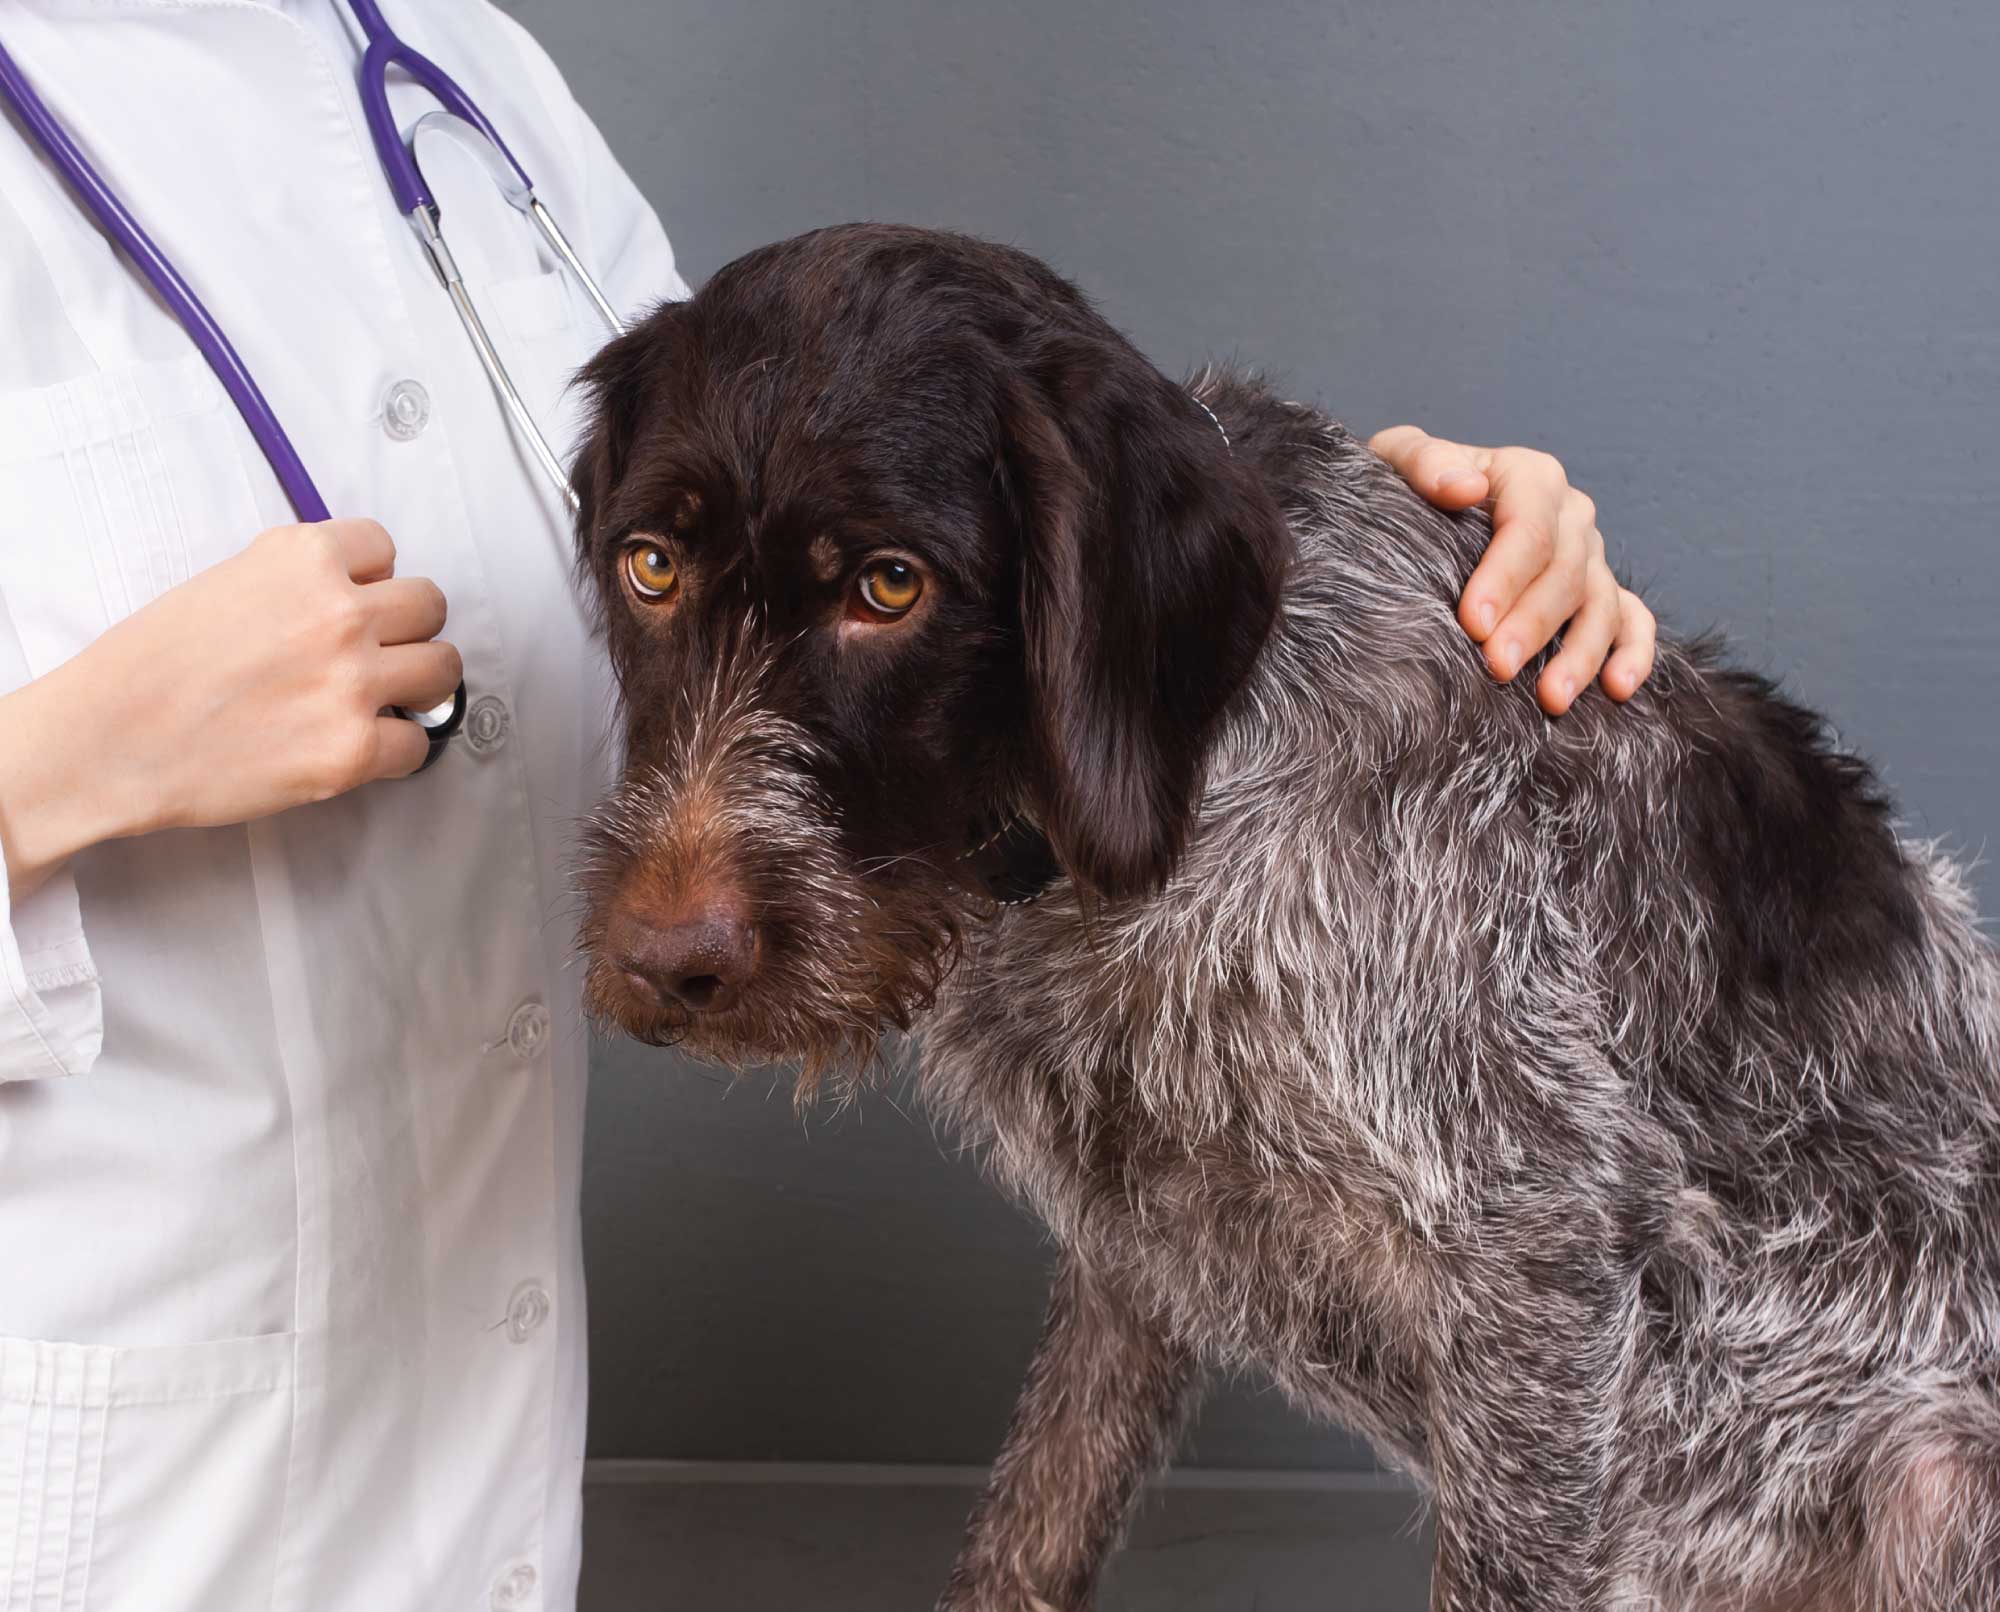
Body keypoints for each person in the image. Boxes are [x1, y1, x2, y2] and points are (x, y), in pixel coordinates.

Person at [0, 2, 1657, 1607]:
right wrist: (63, 760)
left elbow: (849, 503)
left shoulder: (464, 74)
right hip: (113, 1527)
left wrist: (1339, 559)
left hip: (490, 1511)